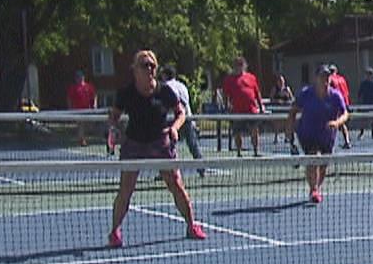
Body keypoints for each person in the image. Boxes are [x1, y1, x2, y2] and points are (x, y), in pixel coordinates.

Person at [107, 50, 206, 247]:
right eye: (145, 65)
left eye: (152, 65)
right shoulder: (126, 93)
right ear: (135, 70)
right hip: (134, 143)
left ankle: (191, 225)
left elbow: (181, 113)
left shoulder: (165, 92)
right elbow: (114, 117)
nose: (150, 69)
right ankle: (114, 231)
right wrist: (115, 131)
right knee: (126, 189)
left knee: (176, 184)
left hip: (160, 142)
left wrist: (175, 129)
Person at [288, 65, 350, 204]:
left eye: (327, 76)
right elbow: (293, 111)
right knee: (313, 156)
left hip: (327, 136)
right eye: (322, 76)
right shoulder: (306, 93)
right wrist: (290, 132)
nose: (325, 79)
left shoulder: (335, 95)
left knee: (323, 164)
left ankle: (317, 187)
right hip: (307, 133)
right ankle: (313, 189)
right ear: (316, 78)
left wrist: (337, 122)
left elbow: (345, 113)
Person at [218, 56, 265, 156]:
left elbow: (257, 93)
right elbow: (225, 95)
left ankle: (256, 151)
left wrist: (261, 107)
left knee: (254, 130)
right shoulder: (229, 79)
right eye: (236, 64)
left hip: (251, 110)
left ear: (244, 65)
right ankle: (239, 152)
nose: (238, 67)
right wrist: (226, 107)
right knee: (237, 132)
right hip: (237, 112)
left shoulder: (251, 77)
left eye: (240, 64)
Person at [161, 65, 205, 172]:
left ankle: (169, 170)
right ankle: (201, 167)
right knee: (193, 145)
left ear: (165, 75)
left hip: (175, 120)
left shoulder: (166, 87)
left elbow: (176, 103)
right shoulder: (182, 85)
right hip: (187, 118)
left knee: (168, 145)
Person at [355, 67, 373, 140]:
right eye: (368, 74)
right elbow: (359, 94)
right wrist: (358, 103)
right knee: (364, 119)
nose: (369, 75)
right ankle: (361, 133)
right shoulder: (363, 83)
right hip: (365, 104)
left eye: (370, 74)